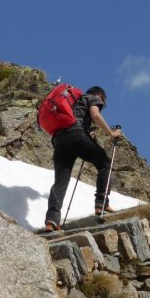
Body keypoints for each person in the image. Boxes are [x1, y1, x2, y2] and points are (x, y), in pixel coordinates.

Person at [45, 86, 122, 231]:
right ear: (100, 95)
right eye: (103, 103)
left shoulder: (74, 102)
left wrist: (88, 133)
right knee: (105, 163)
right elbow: (95, 115)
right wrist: (111, 133)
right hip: (75, 134)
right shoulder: (93, 98)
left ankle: (51, 220)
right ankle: (102, 202)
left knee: (61, 181)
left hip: (59, 139)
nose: (102, 105)